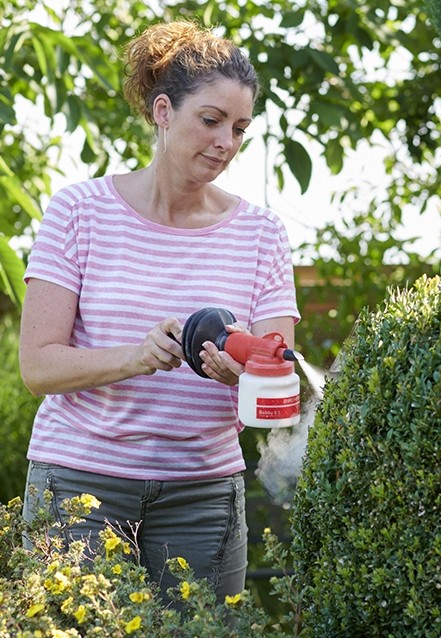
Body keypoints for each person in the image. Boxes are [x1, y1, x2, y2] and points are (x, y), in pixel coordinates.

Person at [19, 20, 300, 605]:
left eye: (240, 128)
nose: (226, 142)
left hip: (203, 494)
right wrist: (139, 356)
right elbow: (38, 367)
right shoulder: (78, 212)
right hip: (80, 486)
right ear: (164, 111)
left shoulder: (262, 233)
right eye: (211, 120)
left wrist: (243, 373)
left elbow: (279, 372)